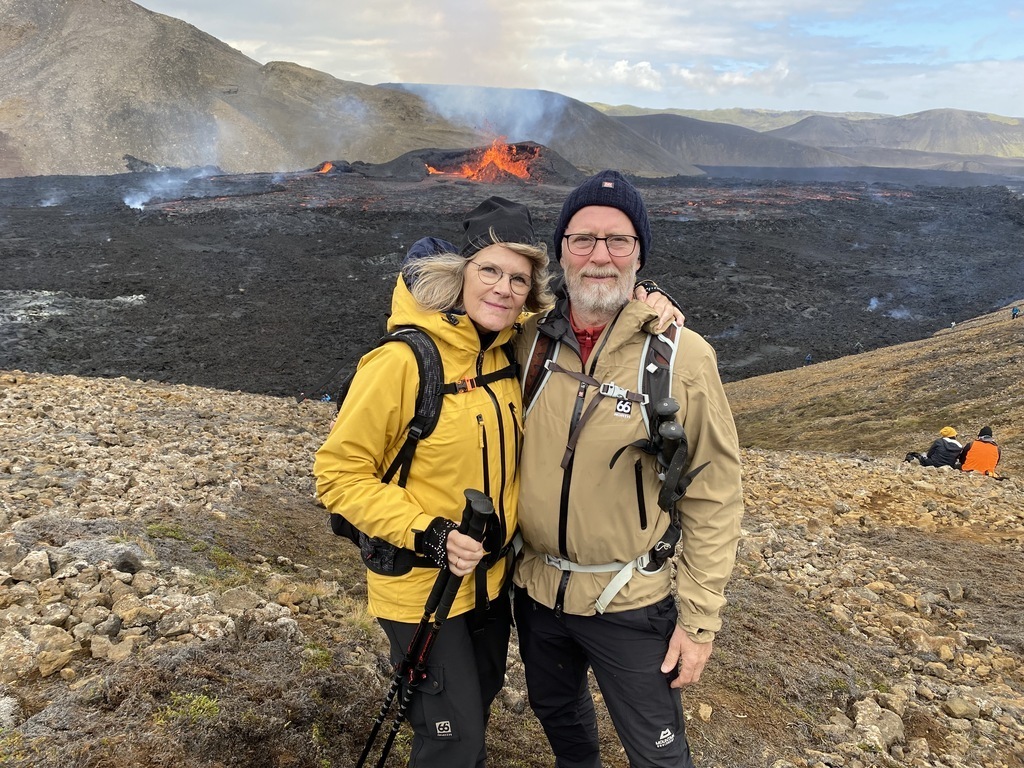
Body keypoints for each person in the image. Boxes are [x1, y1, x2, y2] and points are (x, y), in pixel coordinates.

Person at [511, 170, 744, 768]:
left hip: (631, 598)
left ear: (639, 254)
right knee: (560, 719)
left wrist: (698, 622)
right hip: (538, 593)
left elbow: (714, 494)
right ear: (560, 249)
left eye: (619, 241)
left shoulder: (682, 356)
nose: (600, 256)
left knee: (657, 754)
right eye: (583, 239)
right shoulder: (526, 341)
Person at [314, 196, 553, 767]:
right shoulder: (403, 361)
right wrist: (430, 533)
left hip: (490, 588)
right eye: (489, 270)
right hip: (423, 589)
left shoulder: (508, 350)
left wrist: (652, 298)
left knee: (471, 719)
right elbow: (338, 474)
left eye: (518, 278)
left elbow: (590, 320)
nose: (502, 287)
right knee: (452, 739)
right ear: (459, 274)